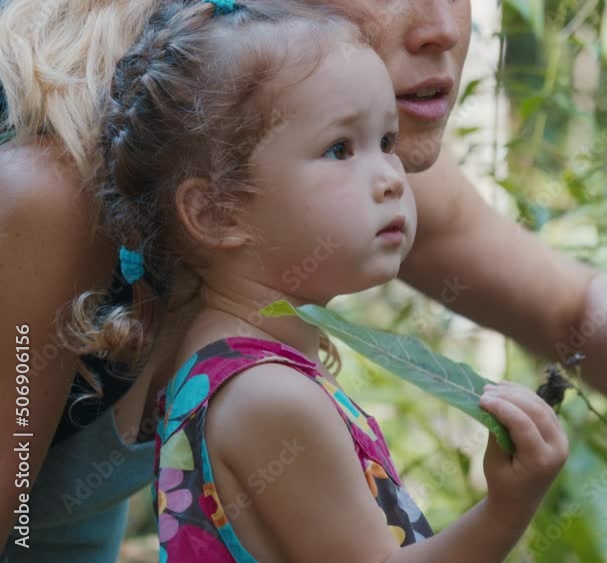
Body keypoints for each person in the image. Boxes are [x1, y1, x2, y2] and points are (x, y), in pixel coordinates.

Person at [0, 0, 607, 560]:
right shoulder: (50, 195)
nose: (443, 29)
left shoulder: (346, 159)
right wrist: (506, 510)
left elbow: (571, 315)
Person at [71, 1, 569, 560]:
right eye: (340, 149)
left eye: (386, 142)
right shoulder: (268, 396)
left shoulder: (239, 364)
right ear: (216, 213)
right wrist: (507, 508)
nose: (390, 179)